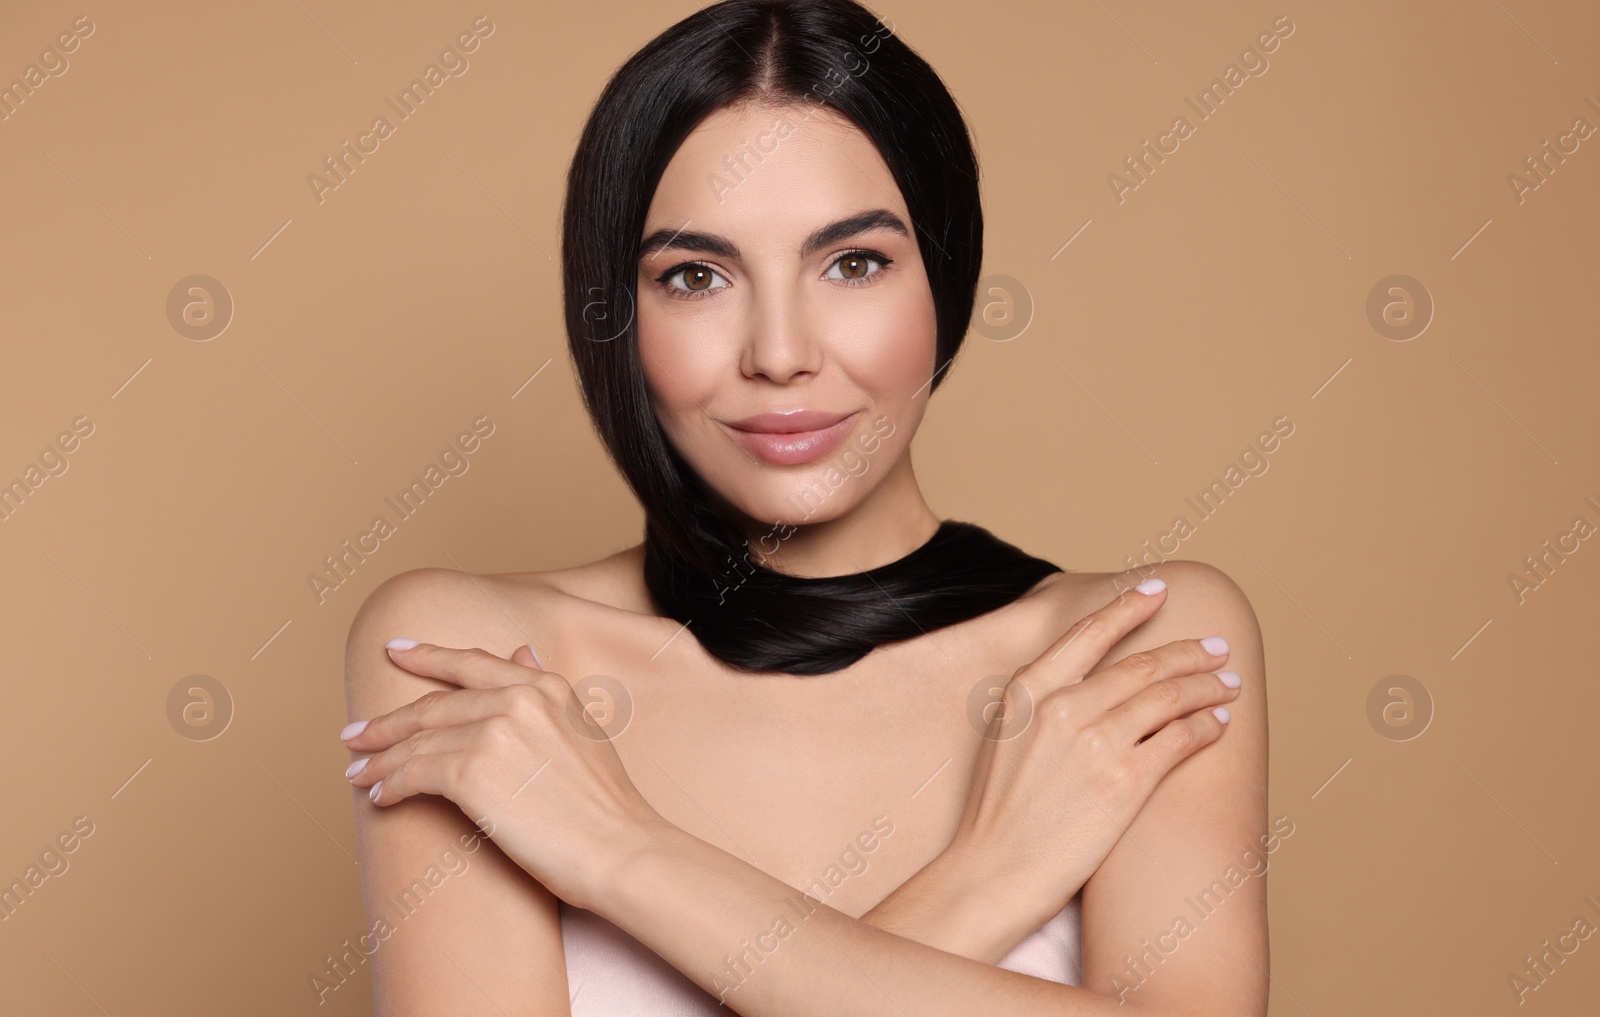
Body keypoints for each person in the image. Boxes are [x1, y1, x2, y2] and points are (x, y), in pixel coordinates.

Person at [339, 1, 1269, 1014]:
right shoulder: (479, 670)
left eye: (853, 263)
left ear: (943, 280)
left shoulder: (1125, 657)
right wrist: (990, 878)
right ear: (611, 305)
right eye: (695, 276)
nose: (779, 353)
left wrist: (620, 851)